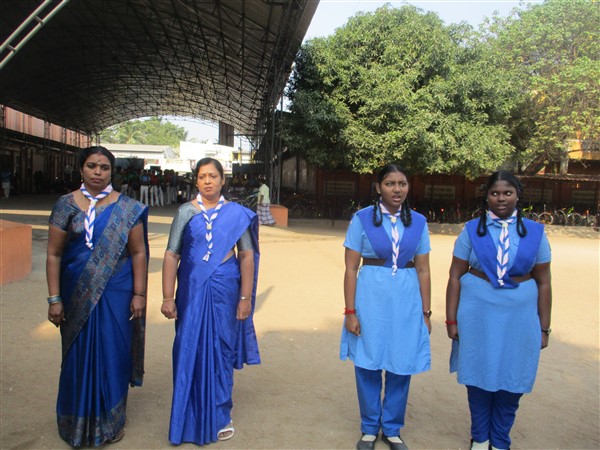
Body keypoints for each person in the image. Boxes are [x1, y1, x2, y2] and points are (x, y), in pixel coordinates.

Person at [46, 146, 149, 447]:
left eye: (104, 167)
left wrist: (139, 293)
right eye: (92, 166)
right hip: (75, 293)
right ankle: (74, 422)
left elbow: (138, 252)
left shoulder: (127, 208)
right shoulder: (65, 205)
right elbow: (53, 254)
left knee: (113, 353)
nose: (98, 172)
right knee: (77, 356)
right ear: (81, 169)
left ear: (111, 172)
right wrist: (54, 298)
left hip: (116, 293)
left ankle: (110, 424)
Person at [445, 171, 552, 450]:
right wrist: (451, 320)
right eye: (495, 193)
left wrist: (544, 328)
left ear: (518, 195)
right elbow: (455, 275)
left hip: (519, 318)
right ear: (487, 197)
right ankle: (480, 438)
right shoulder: (472, 230)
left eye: (507, 193)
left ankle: (500, 439)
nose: (501, 198)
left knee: (513, 375)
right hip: (477, 315)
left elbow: (544, 282)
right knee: (478, 374)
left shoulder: (535, 233)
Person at [161, 157, 260, 445]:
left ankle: (220, 414)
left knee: (221, 348)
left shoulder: (236, 214)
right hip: (191, 290)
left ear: (222, 180)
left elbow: (246, 255)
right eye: (202, 176)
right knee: (187, 346)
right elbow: (172, 254)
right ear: (196, 180)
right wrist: (167, 297)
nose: (208, 181)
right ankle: (186, 417)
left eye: (213, 176)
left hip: (225, 290)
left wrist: (245, 298)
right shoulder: (185, 212)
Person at [341, 164, 431, 450]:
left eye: (402, 183)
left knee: (401, 363)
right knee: (368, 362)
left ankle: (392, 428)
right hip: (371, 299)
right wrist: (350, 312)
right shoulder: (362, 219)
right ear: (378, 187)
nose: (397, 189)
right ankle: (369, 427)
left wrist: (426, 312)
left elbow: (423, 269)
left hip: (406, 300)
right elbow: (350, 268)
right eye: (390, 183)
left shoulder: (419, 222)